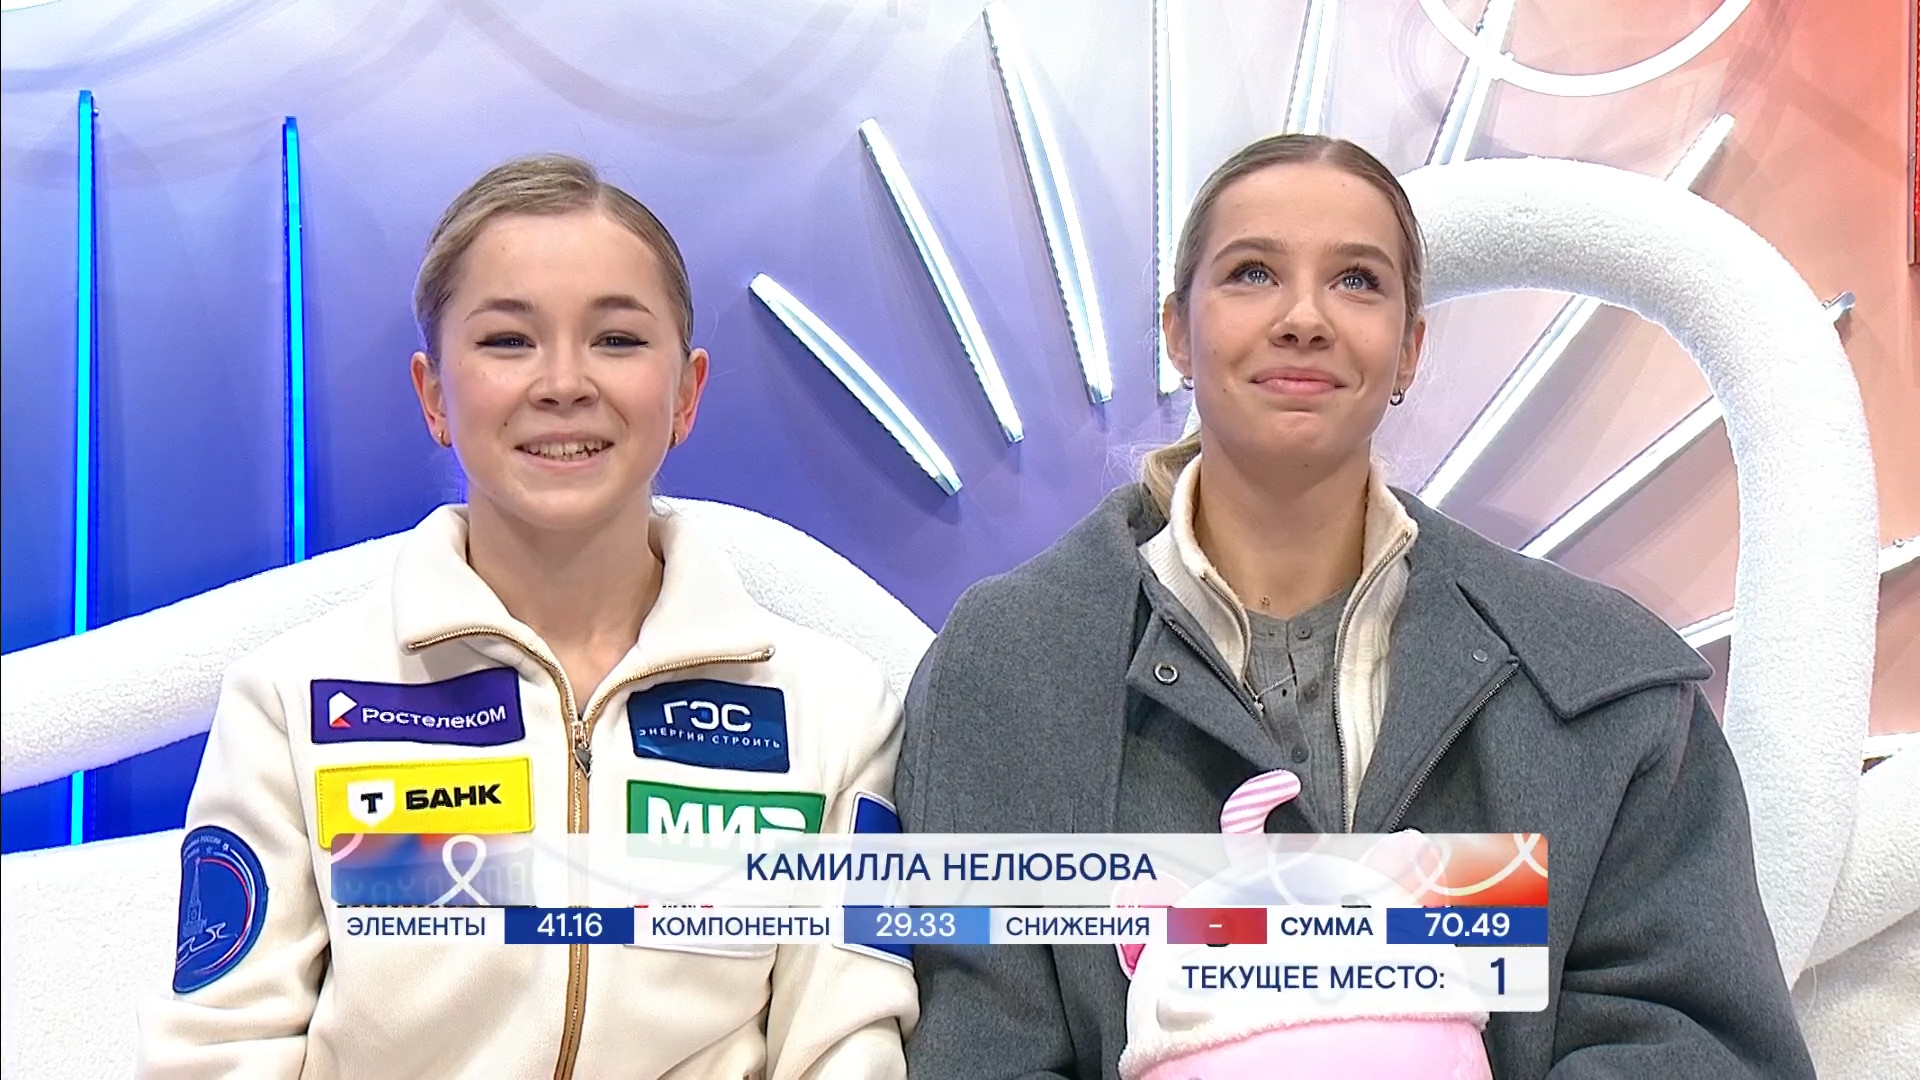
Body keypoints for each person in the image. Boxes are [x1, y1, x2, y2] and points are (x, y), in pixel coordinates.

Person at [895, 134, 1814, 1079]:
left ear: (1409, 349)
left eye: (1357, 281)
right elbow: (980, 1045)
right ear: (1177, 332)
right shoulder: (1009, 669)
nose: (1304, 318)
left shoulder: (1605, 685)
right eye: (1252, 273)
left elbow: (1694, 1043)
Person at [139, 154, 915, 1079]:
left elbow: (844, 1045)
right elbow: (220, 1050)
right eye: (508, 341)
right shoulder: (290, 702)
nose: (563, 382)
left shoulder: (835, 711)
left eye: (617, 340)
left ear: (686, 395)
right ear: (435, 395)